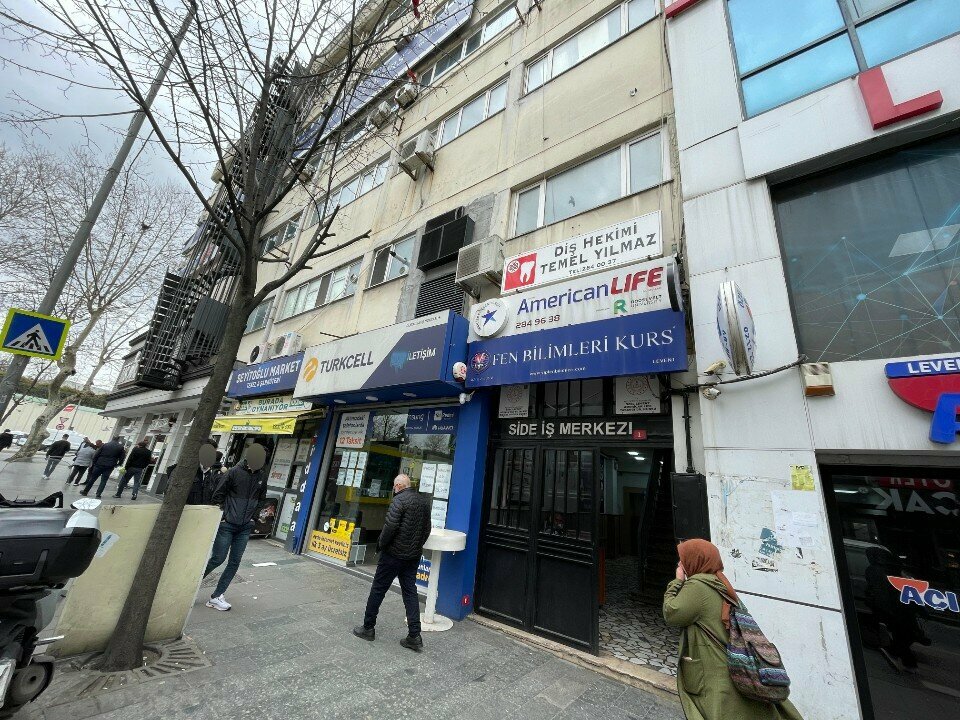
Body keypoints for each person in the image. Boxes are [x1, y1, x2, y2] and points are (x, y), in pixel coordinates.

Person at [663, 539, 803, 720]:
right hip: (731, 663)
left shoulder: (697, 586)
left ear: (696, 560)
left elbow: (672, 613)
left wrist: (677, 581)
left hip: (716, 668)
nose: (680, 564)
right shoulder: (718, 582)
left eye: (683, 560)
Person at [353, 474, 431, 652]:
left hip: (393, 555)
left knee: (378, 589)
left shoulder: (398, 500)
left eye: (395, 486)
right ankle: (414, 636)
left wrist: (380, 545)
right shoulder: (423, 502)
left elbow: (389, 527)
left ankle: (368, 628)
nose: (394, 489)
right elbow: (427, 529)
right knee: (410, 592)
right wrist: (416, 546)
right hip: (412, 556)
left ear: (398, 486)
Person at [202, 445, 267, 611]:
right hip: (228, 525)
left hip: (245, 527)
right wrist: (224, 517)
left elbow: (261, 499)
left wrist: (253, 517)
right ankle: (191, 584)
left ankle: (217, 596)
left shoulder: (261, 476)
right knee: (218, 558)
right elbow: (218, 495)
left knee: (234, 562)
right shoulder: (233, 472)